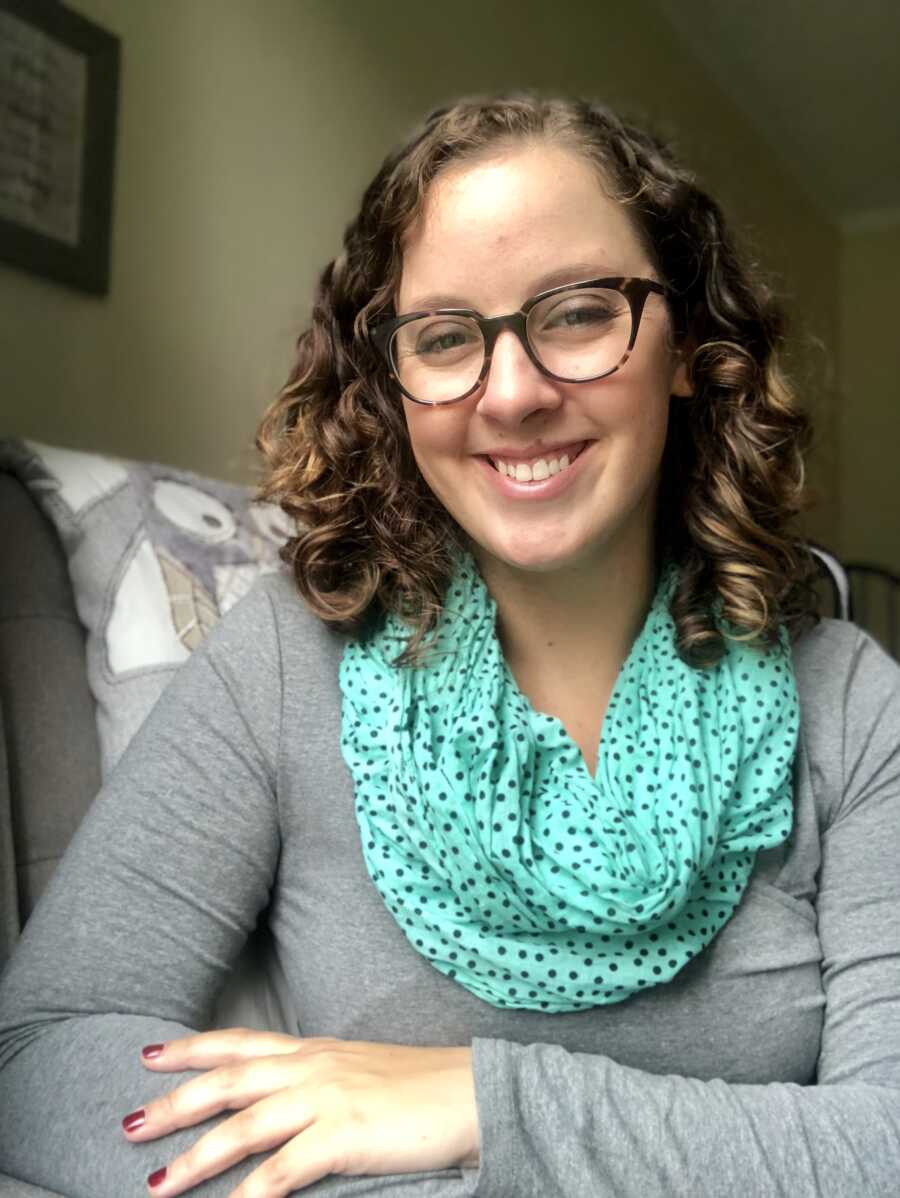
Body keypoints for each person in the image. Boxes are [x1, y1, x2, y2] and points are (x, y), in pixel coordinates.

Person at [1, 91, 899, 1198]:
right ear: (392, 381)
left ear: (687, 344)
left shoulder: (857, 703)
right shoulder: (287, 662)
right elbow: (40, 1051)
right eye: (444, 337)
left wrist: (480, 1100)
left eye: (575, 312)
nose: (512, 394)